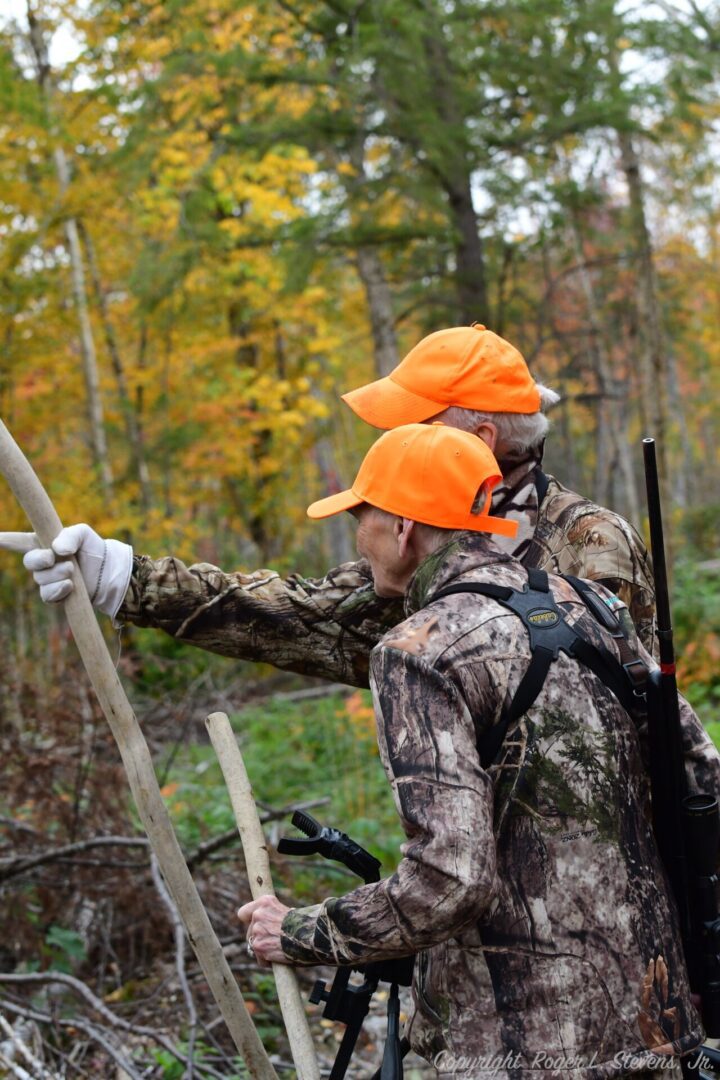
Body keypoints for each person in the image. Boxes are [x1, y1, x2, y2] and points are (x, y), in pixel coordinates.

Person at [236, 422, 717, 1079]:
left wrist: (301, 931)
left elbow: (450, 880)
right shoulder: (596, 608)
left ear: (404, 527)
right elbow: (700, 779)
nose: (358, 536)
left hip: (517, 1049)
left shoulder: (418, 651)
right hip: (657, 1030)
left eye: (362, 514)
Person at [5, 324, 656, 691]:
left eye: (411, 427)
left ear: (479, 440)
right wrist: (123, 577)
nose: (387, 445)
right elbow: (302, 614)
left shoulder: (588, 546)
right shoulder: (423, 539)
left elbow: (584, 724)